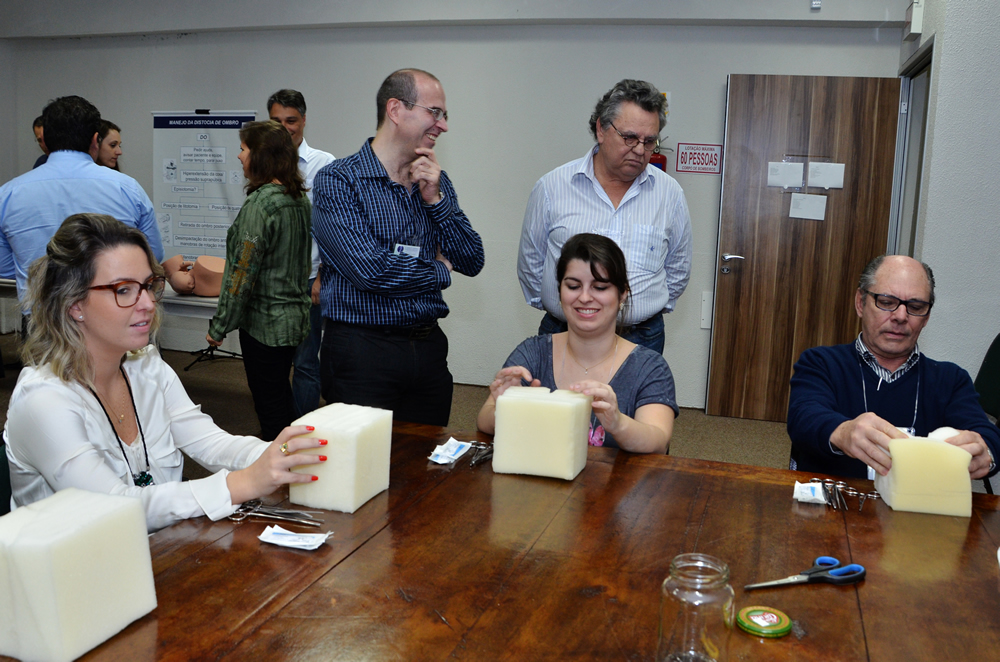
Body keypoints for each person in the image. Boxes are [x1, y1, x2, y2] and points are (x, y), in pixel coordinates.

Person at [3, 214, 326, 532]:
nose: (147, 303)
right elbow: (112, 508)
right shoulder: (43, 401)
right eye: (124, 290)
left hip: (156, 550)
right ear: (74, 304)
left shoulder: (146, 366)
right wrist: (241, 483)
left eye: (147, 286)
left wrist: (285, 455)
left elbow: (212, 444)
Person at [312, 68, 484, 426]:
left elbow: (471, 259)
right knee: (363, 458)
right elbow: (371, 271)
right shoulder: (339, 180)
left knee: (426, 458)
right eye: (434, 112)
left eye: (444, 115)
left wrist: (435, 201)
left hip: (428, 349)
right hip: (363, 353)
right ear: (395, 109)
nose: (443, 125)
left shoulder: (435, 180)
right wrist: (440, 270)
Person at [517, 79, 693, 355]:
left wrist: (647, 308)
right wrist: (559, 308)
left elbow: (678, 268)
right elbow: (531, 262)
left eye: (649, 141)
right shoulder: (552, 187)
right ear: (601, 129)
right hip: (565, 332)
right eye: (630, 137)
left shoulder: (670, 194)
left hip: (641, 338)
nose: (640, 150)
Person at [787, 254, 1000, 480]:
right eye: (887, 302)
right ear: (860, 303)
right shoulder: (820, 362)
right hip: (834, 497)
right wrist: (842, 432)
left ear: (926, 317)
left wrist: (985, 452)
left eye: (915, 306)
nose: (900, 316)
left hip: (916, 500)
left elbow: (988, 436)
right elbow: (803, 418)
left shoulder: (950, 379)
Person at [478, 233, 677, 453]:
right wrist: (507, 410)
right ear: (560, 292)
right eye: (573, 286)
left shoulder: (650, 368)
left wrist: (618, 423)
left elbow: (658, 441)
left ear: (622, 295)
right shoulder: (533, 352)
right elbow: (484, 420)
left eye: (600, 287)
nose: (584, 297)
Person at [206, 120, 312, 441]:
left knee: (270, 408)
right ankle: (295, 457)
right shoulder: (298, 199)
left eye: (243, 149)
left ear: (261, 156)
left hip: (265, 325)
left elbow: (241, 273)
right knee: (280, 395)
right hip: (292, 321)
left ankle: (278, 467)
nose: (239, 156)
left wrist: (219, 326)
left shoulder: (261, 205)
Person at [0, 96, 163, 301]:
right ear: (95, 140)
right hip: (114, 312)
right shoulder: (128, 189)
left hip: (41, 316)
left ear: (46, 141)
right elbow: (152, 255)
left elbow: (5, 268)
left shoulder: (8, 195)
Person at [267, 89, 335, 418]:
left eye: (291, 120)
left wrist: (322, 276)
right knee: (274, 362)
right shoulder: (262, 164)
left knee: (306, 362)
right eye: (276, 120)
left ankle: (303, 430)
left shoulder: (324, 164)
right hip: (272, 283)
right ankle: (279, 426)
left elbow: (332, 230)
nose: (284, 128)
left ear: (304, 121)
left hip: (308, 281)